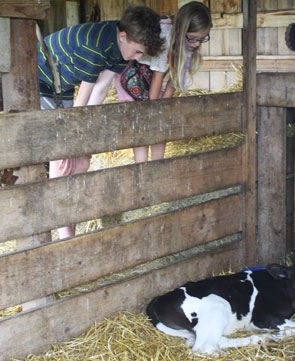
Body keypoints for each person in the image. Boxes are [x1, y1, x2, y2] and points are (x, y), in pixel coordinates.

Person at [38, 6, 164, 239]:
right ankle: (64, 235)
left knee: (81, 160)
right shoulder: (94, 46)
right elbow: (82, 101)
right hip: (43, 79)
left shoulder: (119, 45)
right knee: (62, 158)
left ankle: (70, 227)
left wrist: (84, 137)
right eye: (137, 52)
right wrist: (71, 140)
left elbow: (101, 89)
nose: (137, 59)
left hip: (63, 84)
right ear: (124, 37)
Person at [114, 1, 212, 163]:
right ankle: (142, 168)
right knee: (142, 124)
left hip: (148, 77)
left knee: (161, 123)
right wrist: (153, 110)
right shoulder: (166, 33)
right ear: (181, 30)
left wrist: (162, 109)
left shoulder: (188, 45)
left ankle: (157, 165)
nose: (196, 44)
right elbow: (159, 74)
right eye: (193, 39)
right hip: (130, 74)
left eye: (202, 39)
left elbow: (174, 78)